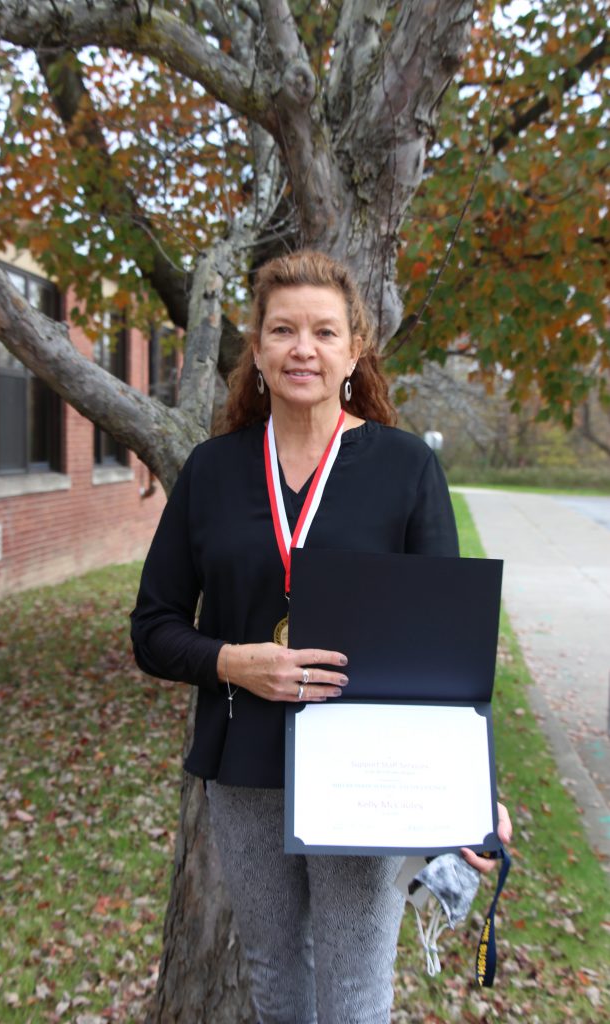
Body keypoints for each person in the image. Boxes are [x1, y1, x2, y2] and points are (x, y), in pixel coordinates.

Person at [131, 250, 512, 1024]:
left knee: (354, 982)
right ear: (259, 351)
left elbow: (446, 648)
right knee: (275, 973)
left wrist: (479, 790)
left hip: (364, 769)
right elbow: (153, 630)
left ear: (353, 350)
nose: (302, 347)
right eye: (282, 330)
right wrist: (233, 662)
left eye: (323, 331)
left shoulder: (403, 469)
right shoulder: (212, 472)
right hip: (245, 768)